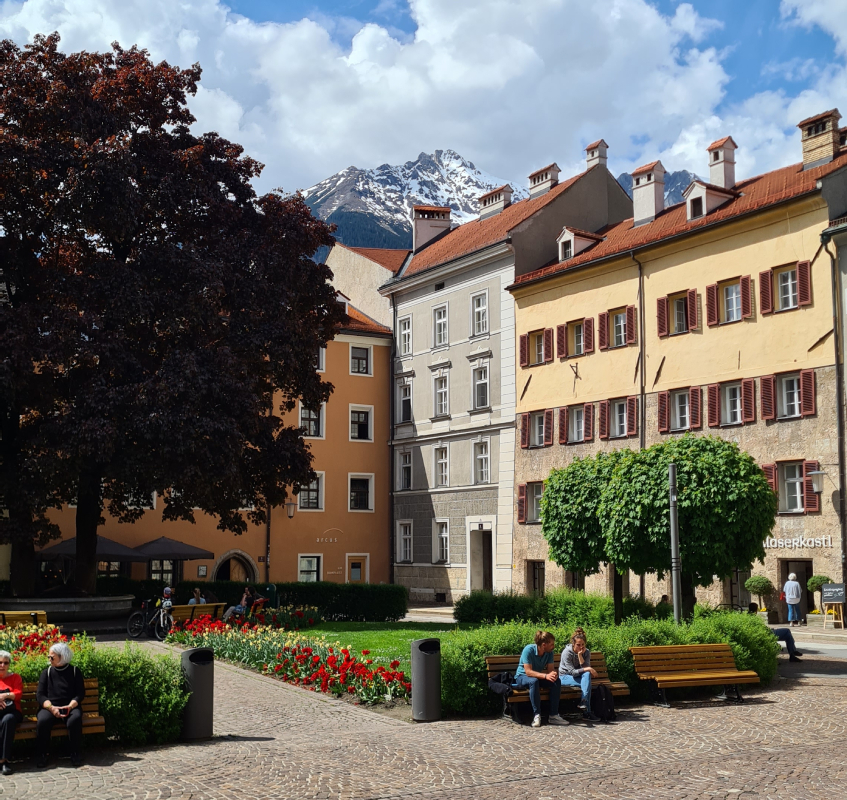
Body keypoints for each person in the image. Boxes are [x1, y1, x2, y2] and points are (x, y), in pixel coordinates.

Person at [36, 642, 86, 768]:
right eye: (49, 657)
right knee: (43, 720)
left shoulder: (75, 671)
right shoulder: (46, 673)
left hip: (70, 706)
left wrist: (70, 706)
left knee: (74, 719)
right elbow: (40, 695)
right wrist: (51, 708)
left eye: (52, 657)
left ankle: (75, 752)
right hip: (50, 707)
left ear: (62, 656)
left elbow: (80, 694)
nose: (49, 659)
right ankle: (43, 754)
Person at [515, 630, 567, 727]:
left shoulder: (549, 652)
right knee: (533, 681)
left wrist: (554, 674)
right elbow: (528, 672)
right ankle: (537, 715)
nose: (553, 646)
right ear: (544, 645)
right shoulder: (529, 650)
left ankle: (553, 715)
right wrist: (546, 676)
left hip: (537, 677)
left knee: (556, 681)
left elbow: (550, 670)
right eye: (551, 644)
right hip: (522, 677)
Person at [559, 628, 601, 722]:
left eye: (583, 645)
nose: (581, 647)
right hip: (564, 677)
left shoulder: (586, 652)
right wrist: (588, 669)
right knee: (587, 682)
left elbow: (586, 669)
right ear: (573, 644)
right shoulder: (567, 652)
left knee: (586, 676)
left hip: (579, 677)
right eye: (578, 645)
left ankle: (584, 702)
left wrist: (580, 656)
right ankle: (587, 712)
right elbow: (572, 672)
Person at [0, 650, 22, 775]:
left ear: (9, 664)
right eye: (0, 662)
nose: (2, 665)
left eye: (5, 663)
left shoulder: (15, 677)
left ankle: (4, 760)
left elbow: (18, 694)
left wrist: (4, 696)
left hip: (13, 712)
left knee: (7, 720)